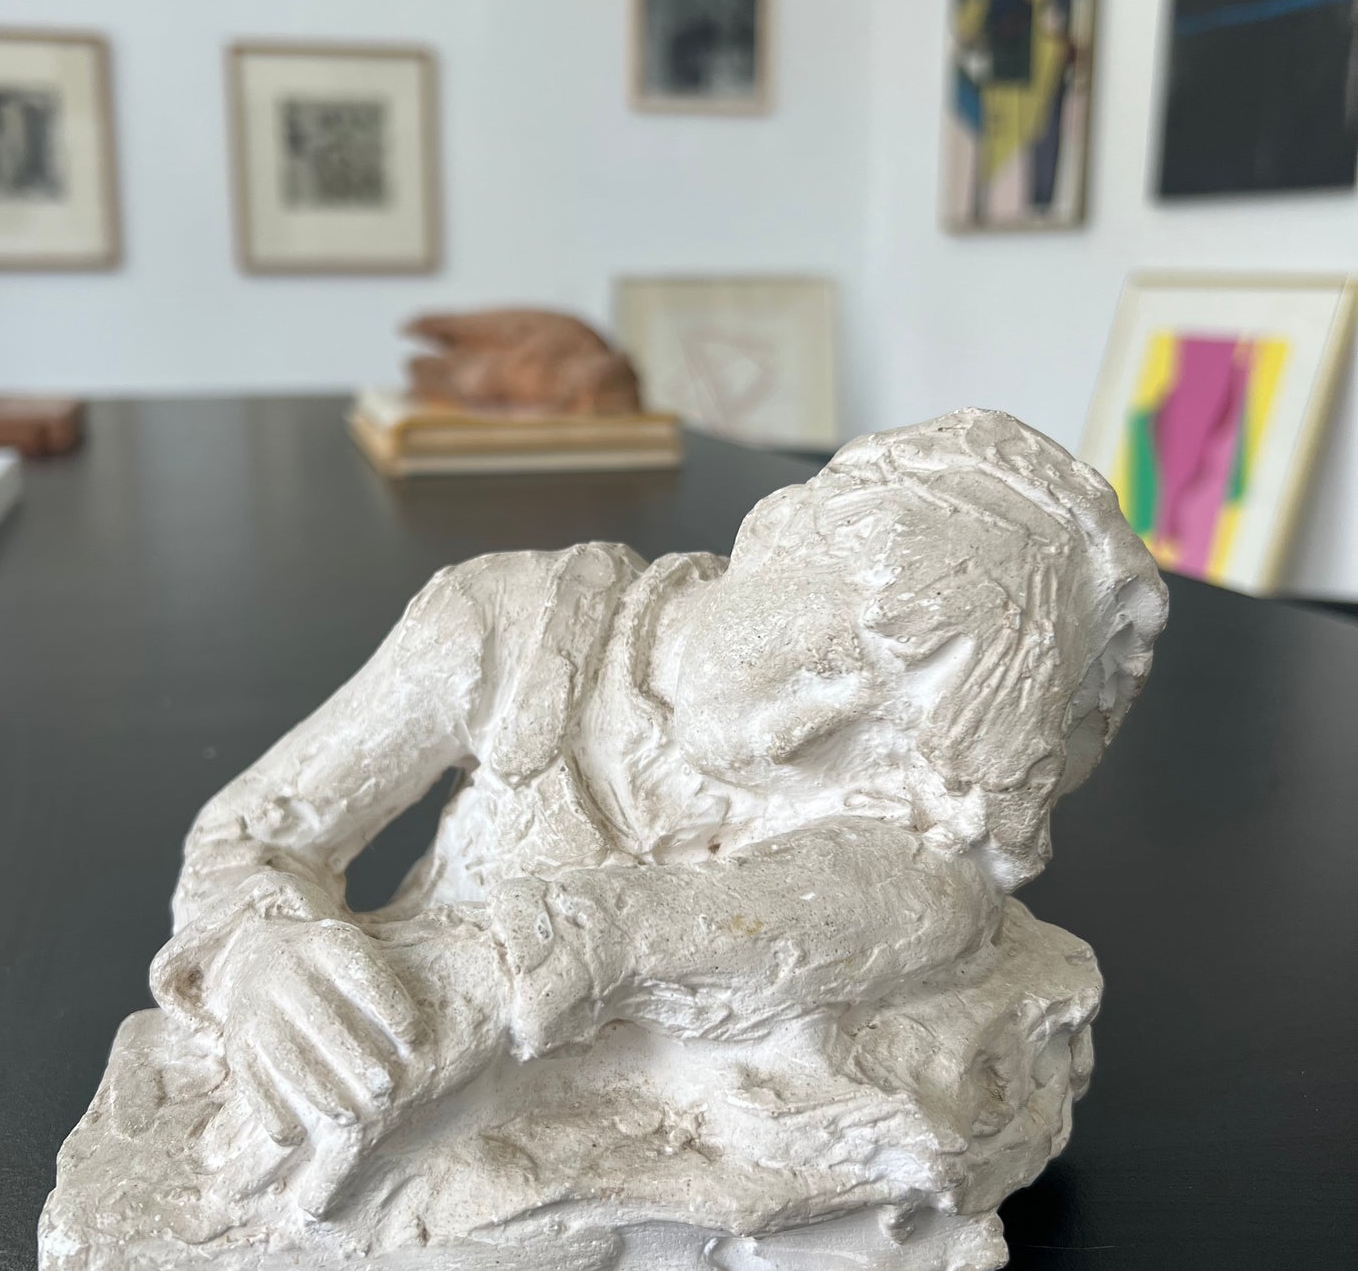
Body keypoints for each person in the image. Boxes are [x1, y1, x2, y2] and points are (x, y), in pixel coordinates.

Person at [150, 408, 1165, 1216]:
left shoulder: (875, 843)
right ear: (776, 529)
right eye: (839, 653)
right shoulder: (510, 626)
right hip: (373, 1057)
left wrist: (549, 953)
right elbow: (254, 831)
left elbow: (930, 896)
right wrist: (256, 953)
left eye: (889, 735)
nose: (806, 730)